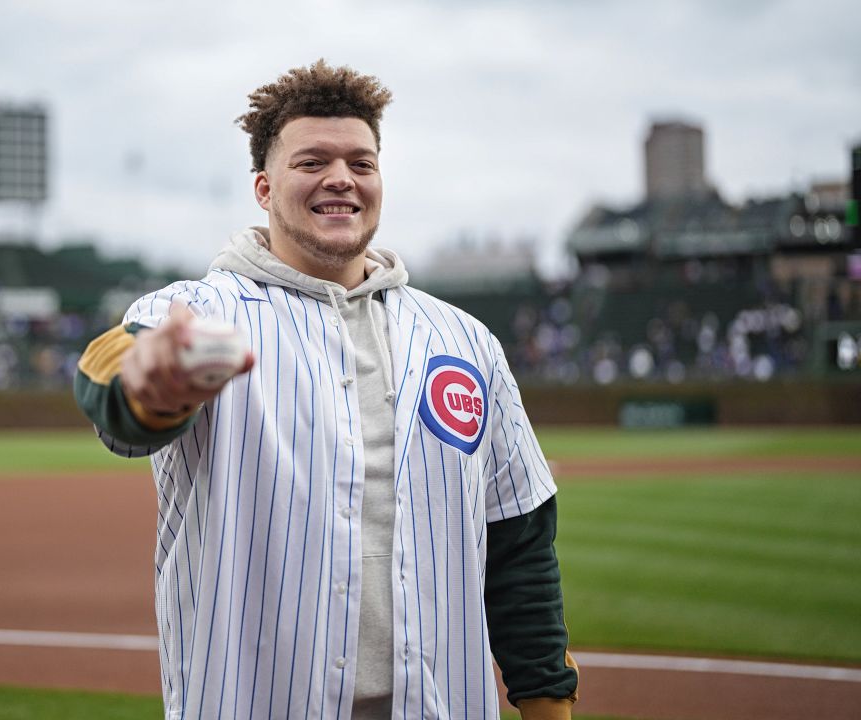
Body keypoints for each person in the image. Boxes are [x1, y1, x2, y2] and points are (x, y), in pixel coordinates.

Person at [74, 60, 578, 720]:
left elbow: (520, 544)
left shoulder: (463, 341)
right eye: (312, 161)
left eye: (361, 163)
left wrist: (547, 705)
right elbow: (116, 378)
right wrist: (152, 386)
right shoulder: (198, 311)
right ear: (264, 186)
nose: (341, 177)